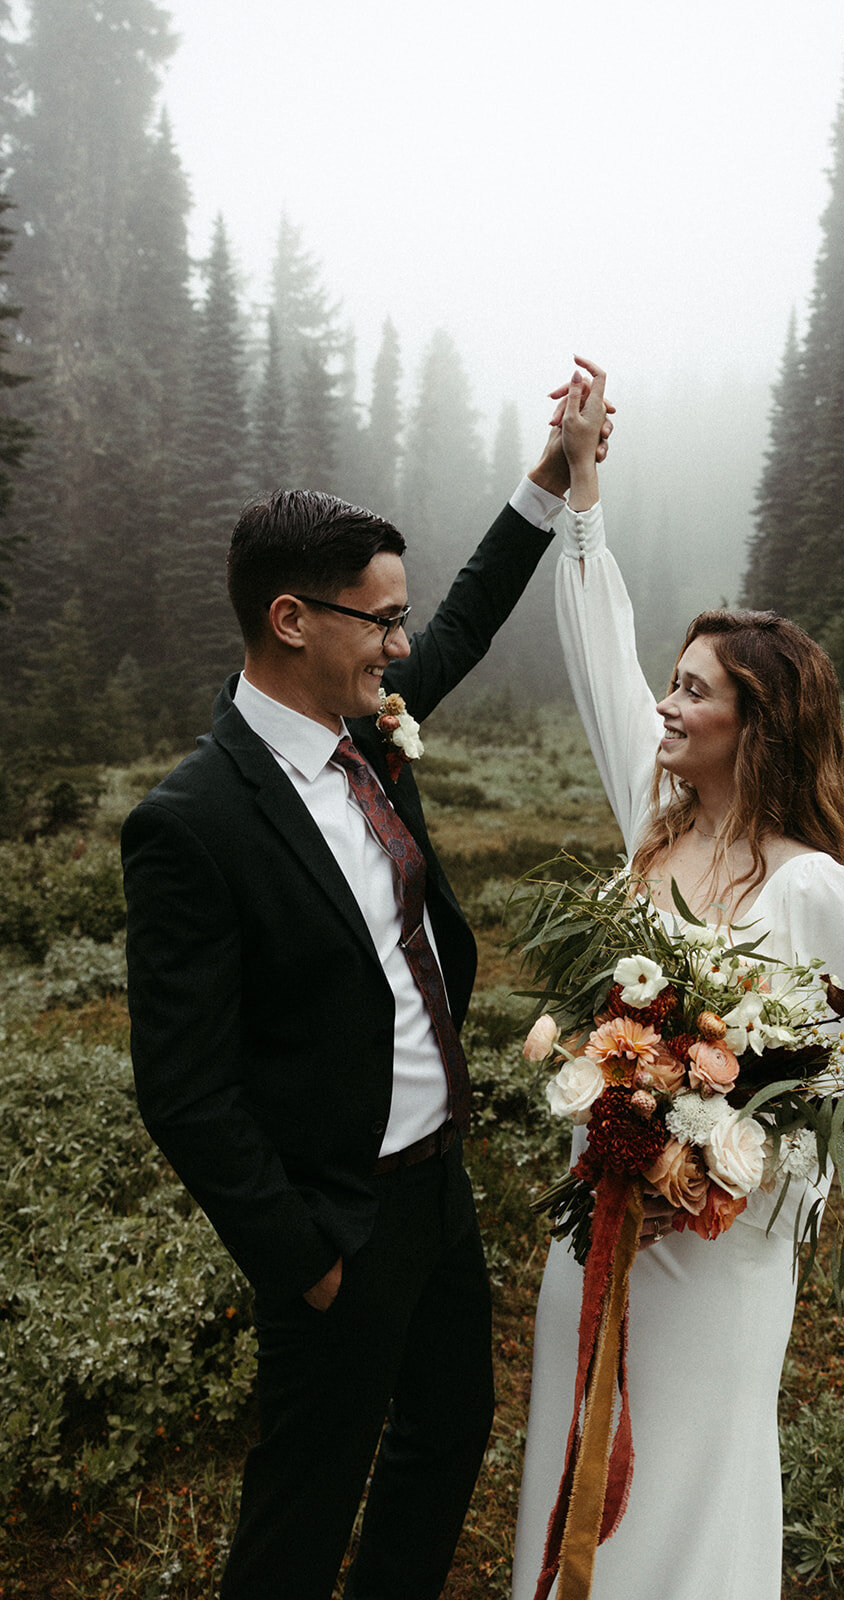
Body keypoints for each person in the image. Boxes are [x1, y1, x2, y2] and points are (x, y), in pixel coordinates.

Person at [121, 363, 610, 1600]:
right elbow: (181, 1087)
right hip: (335, 1220)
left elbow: (465, 620)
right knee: (302, 1507)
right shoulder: (192, 822)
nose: (401, 645)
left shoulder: (368, 726)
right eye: (378, 621)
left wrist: (548, 478)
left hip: (437, 1189)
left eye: (398, 622)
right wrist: (304, 1256)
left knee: (447, 1433)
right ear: (292, 620)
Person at [510, 362, 844, 1600]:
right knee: (574, 1443)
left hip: (716, 1258)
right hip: (597, 1227)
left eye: (693, 691)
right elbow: (598, 654)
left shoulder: (815, 890)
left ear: (757, 723)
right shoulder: (652, 828)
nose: (663, 707)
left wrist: (712, 1165)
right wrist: (581, 484)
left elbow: (835, 1099)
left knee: (683, 1480)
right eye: (670, 684)